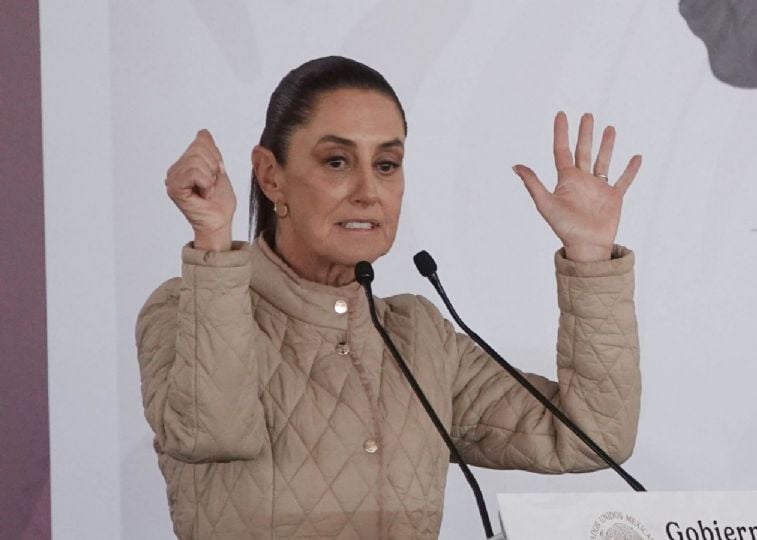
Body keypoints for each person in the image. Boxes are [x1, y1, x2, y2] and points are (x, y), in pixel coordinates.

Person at [136, 55, 643, 540]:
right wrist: (214, 240)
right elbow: (211, 433)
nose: (367, 191)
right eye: (337, 161)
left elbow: (591, 436)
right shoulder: (190, 306)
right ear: (271, 175)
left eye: (386, 164)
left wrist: (590, 256)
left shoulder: (418, 337)